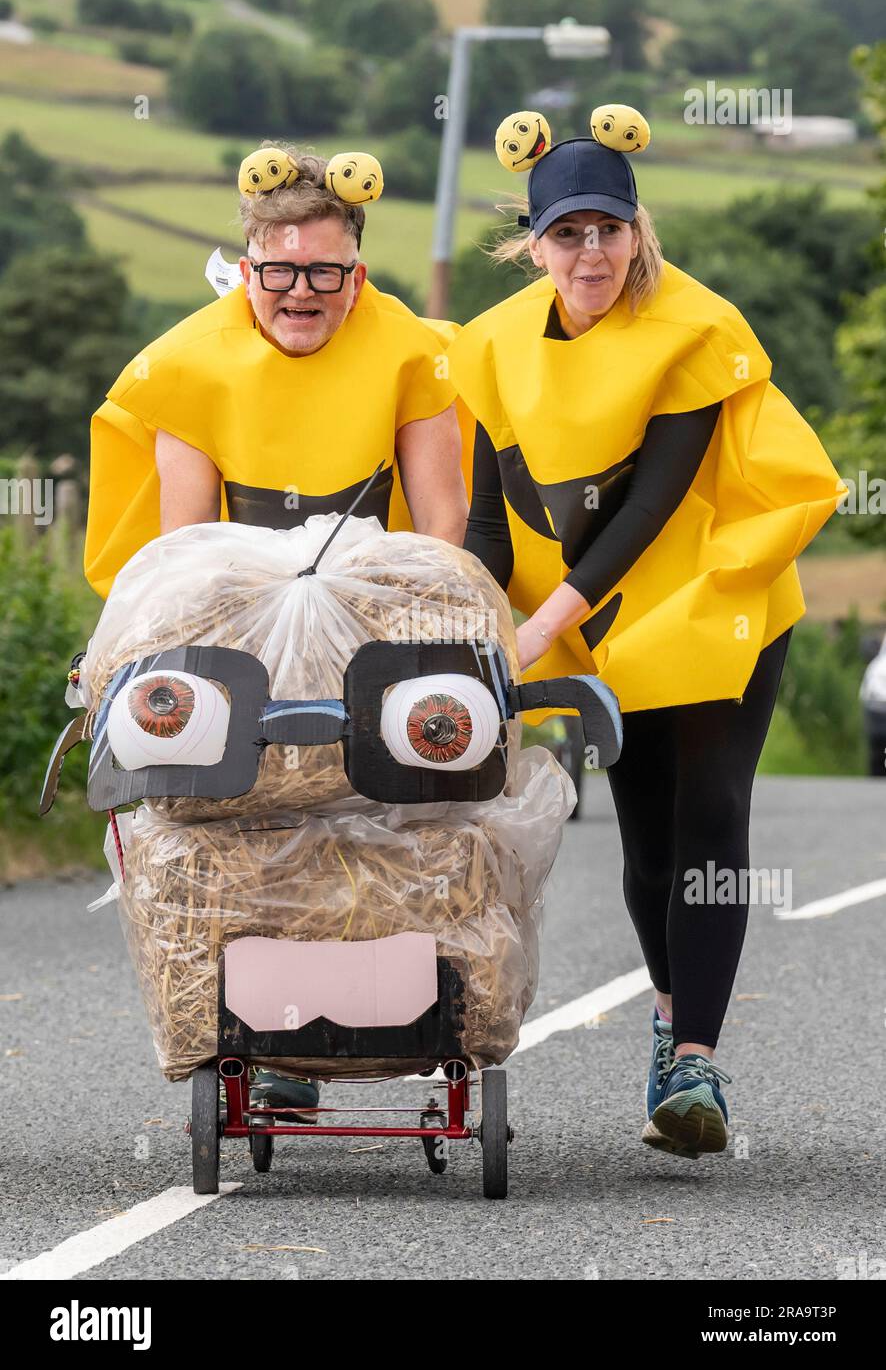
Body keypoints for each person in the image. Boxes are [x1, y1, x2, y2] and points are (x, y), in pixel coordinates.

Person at [447, 110, 846, 1159]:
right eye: (568, 233)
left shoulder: (693, 326)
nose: (591, 254)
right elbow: (493, 519)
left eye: (609, 230)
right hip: (602, 621)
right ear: (533, 242)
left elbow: (652, 505)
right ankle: (670, 1026)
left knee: (709, 810)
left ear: (638, 230)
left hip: (714, 598)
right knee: (647, 833)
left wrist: (537, 629)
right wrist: (464, 618)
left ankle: (698, 1061)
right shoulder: (489, 347)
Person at [84, 142, 471, 1121]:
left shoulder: (410, 350)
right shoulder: (190, 363)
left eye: (324, 273)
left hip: (372, 613)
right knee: (247, 828)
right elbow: (185, 546)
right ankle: (278, 1038)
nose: (301, 292)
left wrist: (419, 632)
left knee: (373, 823)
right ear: (246, 267)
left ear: (358, 274)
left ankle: (383, 1015)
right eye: (280, 271)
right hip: (241, 623)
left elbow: (441, 520)